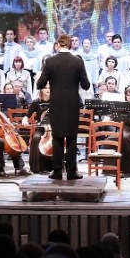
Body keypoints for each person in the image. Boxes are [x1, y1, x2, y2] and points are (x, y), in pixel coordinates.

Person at [35, 34, 91, 180]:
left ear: (58, 45)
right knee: (72, 138)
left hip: (56, 104)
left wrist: (41, 78)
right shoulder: (78, 61)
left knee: (57, 137)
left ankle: (57, 171)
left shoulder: (50, 61)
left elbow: (40, 84)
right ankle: (72, 172)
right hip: (72, 105)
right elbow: (86, 85)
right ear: (70, 45)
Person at [23, 85, 51, 173]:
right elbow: (27, 115)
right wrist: (25, 119)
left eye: (49, 88)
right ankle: (38, 167)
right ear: (41, 90)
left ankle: (54, 166)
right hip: (41, 129)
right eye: (45, 88)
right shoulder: (36, 102)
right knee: (36, 138)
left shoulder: (56, 100)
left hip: (54, 129)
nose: (48, 90)